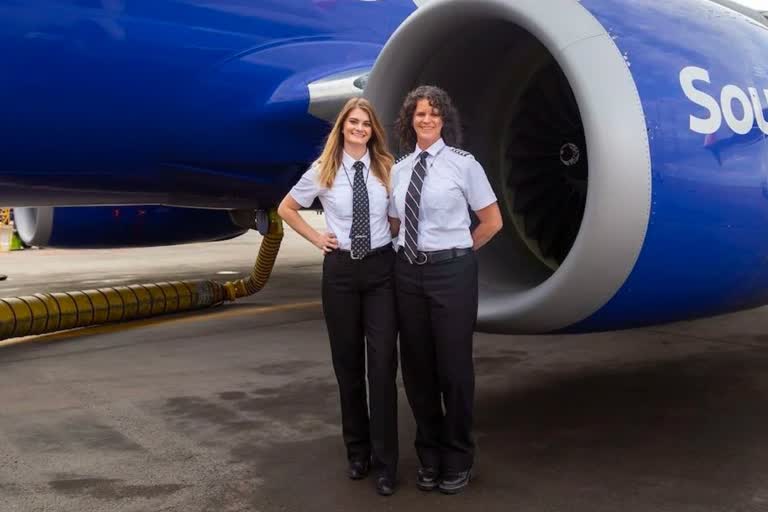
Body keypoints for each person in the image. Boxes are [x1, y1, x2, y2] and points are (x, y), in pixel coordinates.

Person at [277, 97, 399, 496]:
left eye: (366, 123)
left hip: (382, 271)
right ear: (342, 128)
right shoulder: (324, 170)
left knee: (381, 369)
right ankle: (358, 453)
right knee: (348, 369)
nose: (360, 128)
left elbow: (395, 216)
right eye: (353, 123)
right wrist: (317, 238)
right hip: (342, 272)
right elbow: (286, 208)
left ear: (373, 130)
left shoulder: (386, 168)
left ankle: (386, 461)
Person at [388, 85, 503, 495]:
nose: (426, 119)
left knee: (453, 370)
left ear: (443, 120)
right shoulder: (399, 170)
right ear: (409, 120)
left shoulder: (463, 165)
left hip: (451, 272)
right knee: (418, 370)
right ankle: (429, 454)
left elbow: (491, 221)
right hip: (408, 274)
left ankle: (458, 456)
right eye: (419, 113)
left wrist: (458, 253)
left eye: (433, 113)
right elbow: (396, 224)